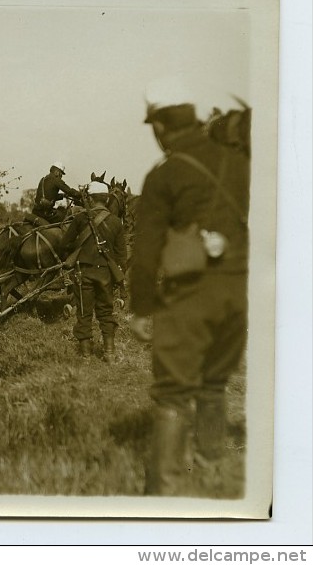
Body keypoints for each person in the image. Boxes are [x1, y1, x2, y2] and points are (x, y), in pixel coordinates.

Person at [128, 87, 250, 497]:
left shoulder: (164, 174)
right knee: (214, 385)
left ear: (160, 126)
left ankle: (165, 497)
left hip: (191, 295)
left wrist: (142, 308)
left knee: (173, 395)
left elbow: (145, 254)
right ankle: (214, 478)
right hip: (238, 292)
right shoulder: (239, 162)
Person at [59, 180, 127, 362]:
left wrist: (79, 249)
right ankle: (110, 354)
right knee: (106, 311)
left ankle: (86, 355)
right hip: (106, 273)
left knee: (83, 312)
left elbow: (64, 244)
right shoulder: (116, 222)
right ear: (106, 199)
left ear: (89, 198)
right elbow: (122, 255)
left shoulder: (80, 219)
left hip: (83, 273)